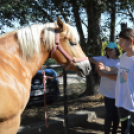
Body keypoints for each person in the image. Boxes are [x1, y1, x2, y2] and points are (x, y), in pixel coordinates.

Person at [97, 28, 134, 134]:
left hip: (132, 105)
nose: (119, 43)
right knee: (123, 130)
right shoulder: (123, 57)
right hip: (122, 101)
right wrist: (105, 68)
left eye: (121, 41)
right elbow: (119, 71)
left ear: (131, 41)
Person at [89, 42, 120, 134]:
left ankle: (114, 132)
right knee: (109, 114)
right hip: (108, 93)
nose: (109, 52)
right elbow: (89, 59)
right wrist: (97, 65)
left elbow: (117, 77)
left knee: (117, 115)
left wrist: (103, 73)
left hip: (119, 93)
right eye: (107, 50)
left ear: (116, 50)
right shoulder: (103, 59)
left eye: (111, 50)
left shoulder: (121, 61)